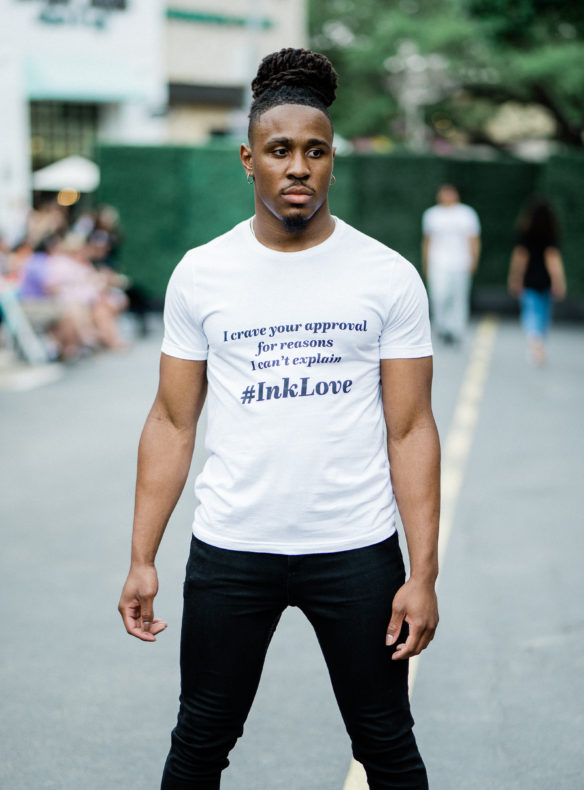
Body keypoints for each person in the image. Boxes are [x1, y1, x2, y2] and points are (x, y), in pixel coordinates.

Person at [119, 48, 440, 790]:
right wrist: (142, 557)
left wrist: (421, 572)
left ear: (332, 161)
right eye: (280, 150)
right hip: (233, 547)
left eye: (315, 151)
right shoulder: (202, 273)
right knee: (200, 739)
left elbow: (410, 429)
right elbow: (171, 423)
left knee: (386, 744)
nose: (298, 167)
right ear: (248, 159)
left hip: (354, 549)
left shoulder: (385, 275)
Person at [507, 196, 566, 366]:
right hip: (545, 279)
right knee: (544, 312)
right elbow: (552, 259)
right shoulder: (551, 233)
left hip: (529, 279)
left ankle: (534, 342)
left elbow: (521, 257)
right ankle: (539, 340)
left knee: (530, 311)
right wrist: (558, 280)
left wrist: (515, 277)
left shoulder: (524, 232)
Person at [422, 184, 481, 344]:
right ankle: (441, 327)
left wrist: (474, 260)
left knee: (459, 297)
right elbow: (427, 241)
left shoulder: (466, 214)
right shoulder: (432, 214)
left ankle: (457, 329)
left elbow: (474, 240)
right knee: (439, 296)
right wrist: (426, 263)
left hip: (461, 262)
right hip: (438, 263)